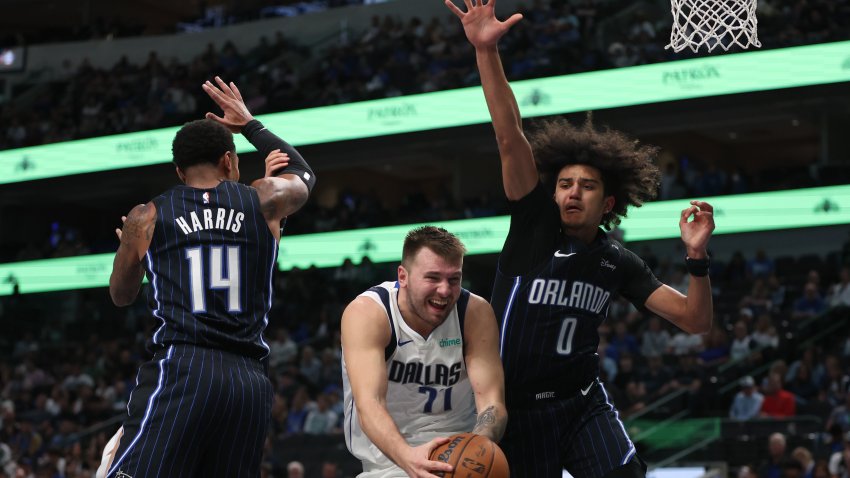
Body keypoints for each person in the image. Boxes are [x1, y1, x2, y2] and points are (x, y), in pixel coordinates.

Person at [445, 1, 715, 476]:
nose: (572, 193)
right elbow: (510, 136)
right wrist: (485, 51)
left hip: (581, 402)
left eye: (587, 186)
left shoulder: (617, 261)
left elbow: (695, 321)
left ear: (607, 203)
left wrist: (697, 259)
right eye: (565, 184)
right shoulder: (533, 226)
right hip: (517, 408)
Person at [96, 77, 316, 478]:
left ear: (179, 172)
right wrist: (250, 124)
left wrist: (133, 253)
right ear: (229, 161)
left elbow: (121, 295)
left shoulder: (146, 216)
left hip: (184, 366)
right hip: (249, 380)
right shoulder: (265, 199)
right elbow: (303, 173)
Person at [341, 226, 507, 477]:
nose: (444, 290)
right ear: (403, 276)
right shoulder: (368, 313)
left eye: (454, 279)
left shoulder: (474, 313)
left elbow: (493, 404)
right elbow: (370, 404)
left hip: (456, 454)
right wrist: (410, 459)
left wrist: (477, 445)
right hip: (389, 462)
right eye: (433, 278)